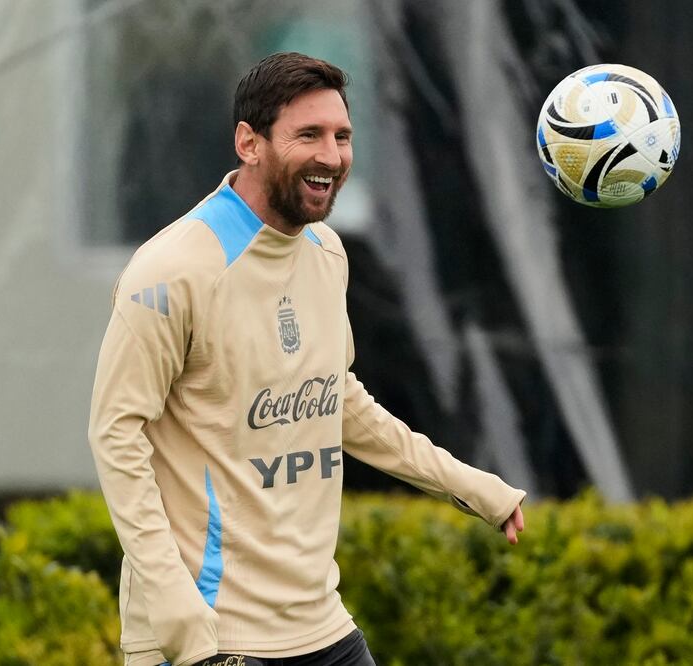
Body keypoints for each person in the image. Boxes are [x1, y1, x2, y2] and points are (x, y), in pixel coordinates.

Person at [88, 52, 527, 666]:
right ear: (249, 143)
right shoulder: (171, 270)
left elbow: (335, 398)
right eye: (309, 135)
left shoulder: (326, 251)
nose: (332, 156)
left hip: (320, 626)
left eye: (342, 136)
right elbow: (116, 434)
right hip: (211, 634)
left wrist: (467, 483)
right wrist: (172, 603)